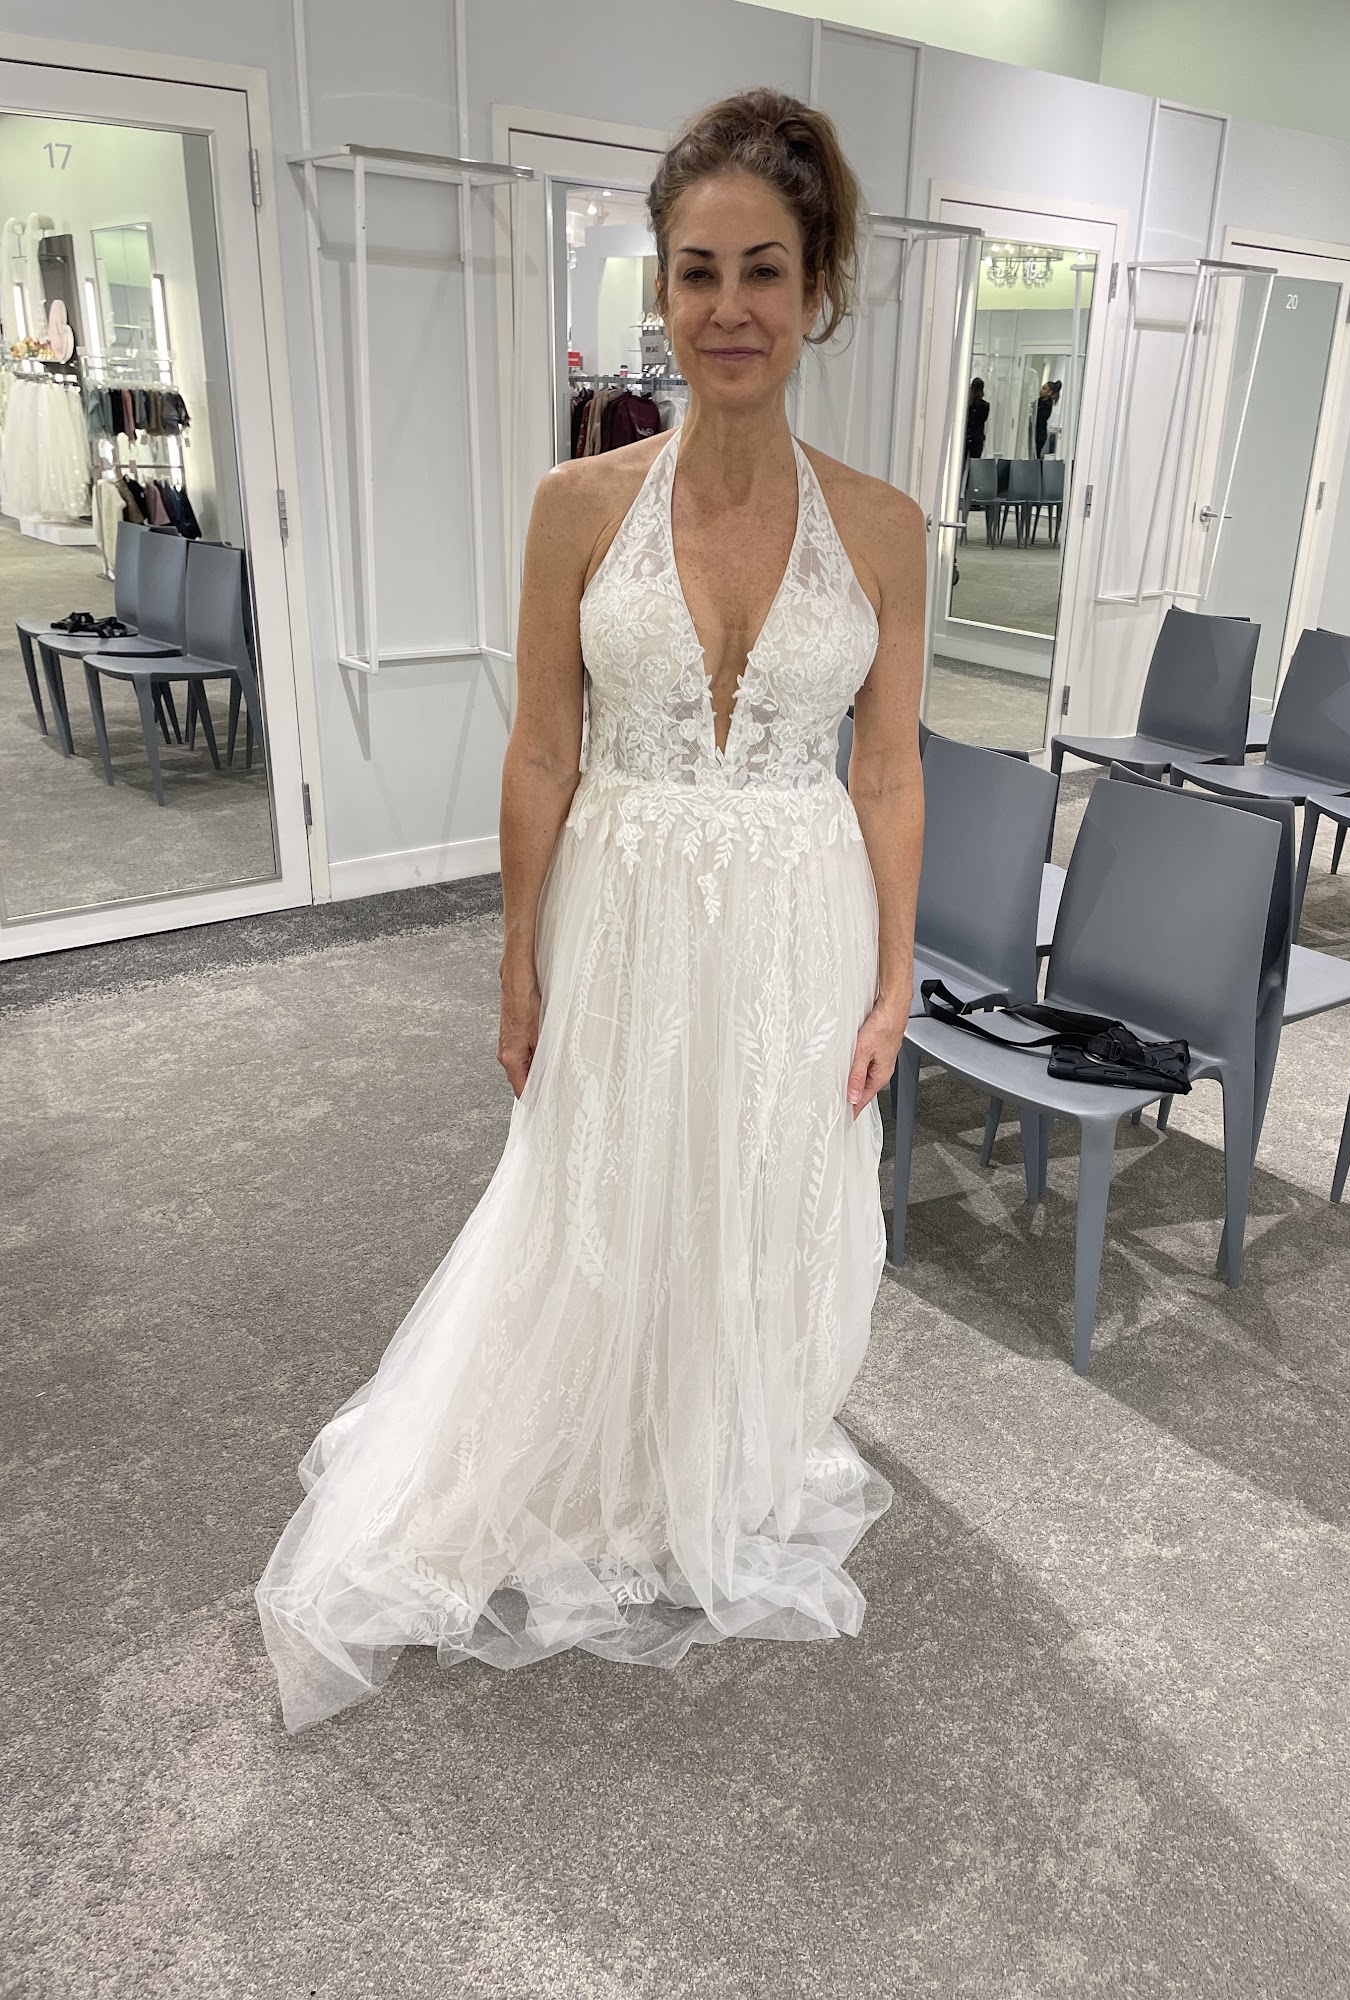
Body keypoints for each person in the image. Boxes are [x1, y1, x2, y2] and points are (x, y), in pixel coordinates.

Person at [254, 88, 927, 1733]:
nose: (727, 309)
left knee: (757, 1192)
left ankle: (713, 1449)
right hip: (622, 909)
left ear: (819, 286)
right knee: (602, 1185)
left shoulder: (886, 530)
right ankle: (596, 1445)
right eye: (696, 271)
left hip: (800, 917)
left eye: (762, 271)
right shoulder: (579, 505)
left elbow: (892, 769)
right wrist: (514, 958)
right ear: (661, 285)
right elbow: (544, 750)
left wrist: (897, 979)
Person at [964, 375, 989, 463]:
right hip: (976, 437)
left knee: (969, 461)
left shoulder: (971, 404)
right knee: (974, 462)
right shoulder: (984, 405)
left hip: (973, 437)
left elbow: (980, 419)